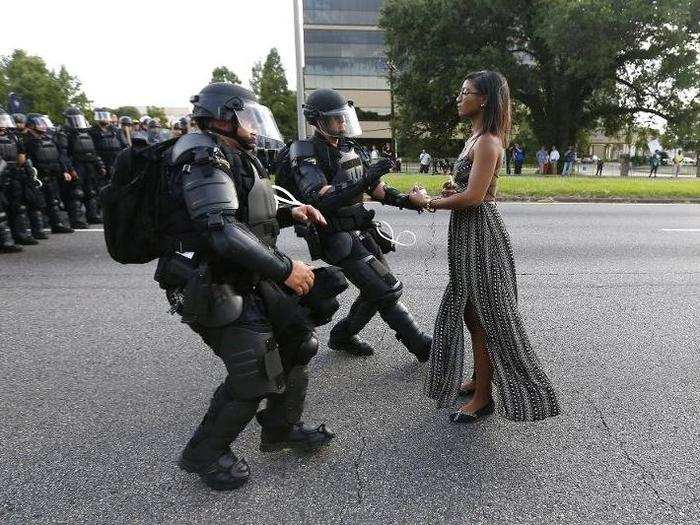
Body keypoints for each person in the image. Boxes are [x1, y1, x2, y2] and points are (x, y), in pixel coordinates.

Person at [149, 82, 334, 491]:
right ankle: (204, 453)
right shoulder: (200, 156)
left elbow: (244, 217)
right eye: (246, 116)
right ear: (221, 118)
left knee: (298, 341)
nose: (254, 126)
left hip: (244, 274)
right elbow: (220, 231)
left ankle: (280, 428)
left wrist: (290, 213)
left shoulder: (228, 153)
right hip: (210, 281)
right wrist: (286, 269)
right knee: (254, 372)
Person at [409, 70, 560, 423]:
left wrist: (428, 201)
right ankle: (480, 377)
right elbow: (469, 189)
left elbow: (476, 197)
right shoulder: (474, 139)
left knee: (484, 316)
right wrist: (452, 189)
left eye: (467, 92)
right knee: (469, 311)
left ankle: (483, 397)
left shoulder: (489, 141)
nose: (460, 98)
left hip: (481, 234)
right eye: (461, 92)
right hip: (467, 233)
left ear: (485, 99)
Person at [288, 88, 432, 361]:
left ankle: (342, 335)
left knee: (375, 289)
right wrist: (364, 181)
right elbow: (320, 198)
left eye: (344, 118)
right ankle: (422, 346)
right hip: (334, 235)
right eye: (335, 119)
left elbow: (377, 189)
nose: (342, 123)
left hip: (361, 229)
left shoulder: (350, 148)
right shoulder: (305, 151)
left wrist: (409, 201)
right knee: (386, 289)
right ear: (317, 121)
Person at [23, 113, 74, 234]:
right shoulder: (27, 141)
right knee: (36, 203)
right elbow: (26, 160)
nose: (42, 126)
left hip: (52, 175)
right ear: (31, 125)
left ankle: (57, 225)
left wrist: (64, 171)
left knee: (53, 201)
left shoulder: (49, 139)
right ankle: (38, 230)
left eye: (42, 123)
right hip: (37, 176)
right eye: (39, 123)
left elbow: (59, 156)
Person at [59, 107, 106, 224]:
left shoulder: (86, 133)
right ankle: (77, 219)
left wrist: (100, 166)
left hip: (89, 166)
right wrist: (69, 169)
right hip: (76, 165)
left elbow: (93, 152)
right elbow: (63, 154)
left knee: (91, 192)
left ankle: (93, 215)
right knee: (76, 193)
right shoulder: (65, 134)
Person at [89, 108, 127, 177]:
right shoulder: (92, 131)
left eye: (106, 116)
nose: (105, 118)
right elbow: (92, 150)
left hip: (116, 164)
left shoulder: (116, 130)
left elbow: (124, 146)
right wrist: (100, 165)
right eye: (102, 116)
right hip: (102, 165)